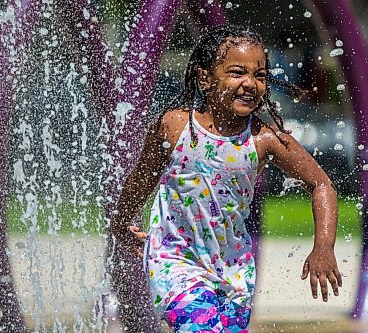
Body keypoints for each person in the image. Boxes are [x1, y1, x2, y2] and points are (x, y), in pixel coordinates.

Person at [110, 25, 342, 332]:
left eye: (260, 75)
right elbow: (142, 178)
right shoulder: (175, 126)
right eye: (237, 72)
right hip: (174, 261)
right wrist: (121, 222)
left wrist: (323, 247)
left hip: (232, 270)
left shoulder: (264, 140)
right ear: (205, 79)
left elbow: (321, 184)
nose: (250, 84)